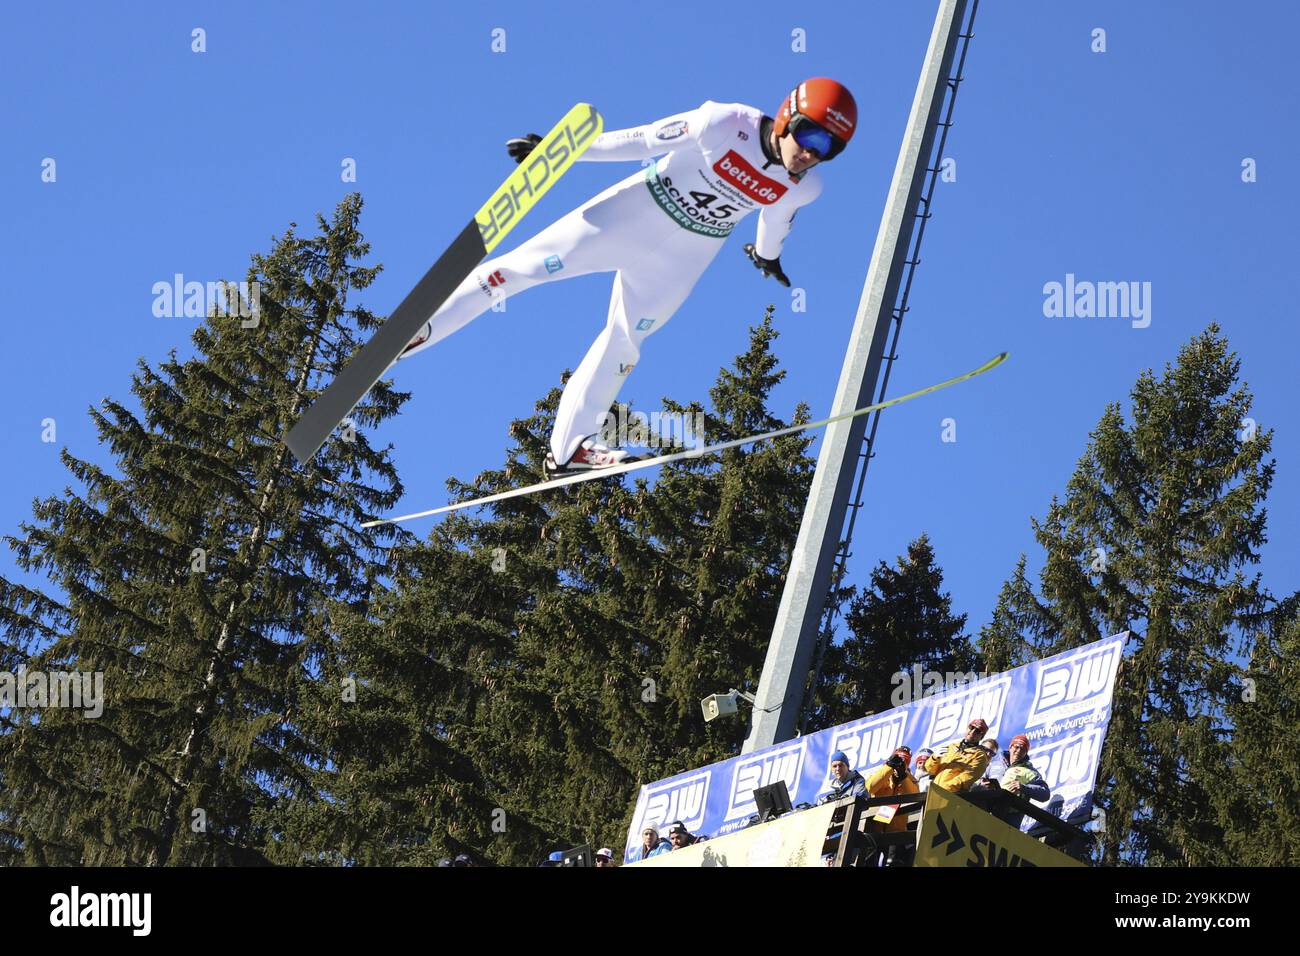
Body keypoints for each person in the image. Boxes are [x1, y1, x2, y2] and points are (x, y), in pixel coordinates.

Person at [394, 79, 858, 474]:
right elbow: (644, 140)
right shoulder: (725, 121)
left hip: (682, 259)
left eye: (827, 149)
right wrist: (564, 152)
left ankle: (570, 448)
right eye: (808, 136)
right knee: (521, 268)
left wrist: (766, 256)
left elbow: (776, 218)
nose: (810, 154)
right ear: (785, 117)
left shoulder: (805, 185)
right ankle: (421, 329)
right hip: (633, 216)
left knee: (625, 342)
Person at [994, 734, 1050, 830]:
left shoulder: (1030, 772)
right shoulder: (996, 764)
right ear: (1010, 747)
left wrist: (1023, 787)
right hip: (988, 810)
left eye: (1023, 749)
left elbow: (1045, 793)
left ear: (1026, 753)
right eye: (1016, 747)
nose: (1018, 751)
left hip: (1009, 820)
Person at [921, 718, 992, 793]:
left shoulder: (979, 756)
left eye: (977, 731)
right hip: (934, 793)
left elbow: (965, 779)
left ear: (981, 737)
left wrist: (942, 790)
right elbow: (930, 770)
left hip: (952, 797)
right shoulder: (952, 747)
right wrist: (934, 758)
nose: (972, 732)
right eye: (971, 727)